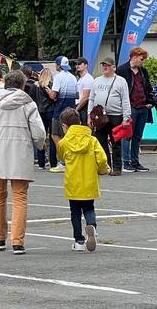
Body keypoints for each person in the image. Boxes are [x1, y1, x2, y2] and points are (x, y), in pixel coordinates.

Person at [0, 70, 47, 255]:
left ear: (5, 84)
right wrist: (40, 145)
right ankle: (18, 242)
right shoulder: (28, 104)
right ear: (22, 85)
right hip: (19, 151)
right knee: (20, 197)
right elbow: (39, 132)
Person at [57, 108, 109, 252]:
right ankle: (92, 225)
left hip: (73, 183)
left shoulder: (64, 142)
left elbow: (60, 157)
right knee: (89, 208)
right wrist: (104, 170)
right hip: (89, 181)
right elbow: (103, 158)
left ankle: (79, 241)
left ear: (65, 126)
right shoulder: (92, 140)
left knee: (75, 212)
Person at [88, 57, 131, 175]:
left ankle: (117, 168)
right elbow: (91, 99)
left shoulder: (121, 81)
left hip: (116, 115)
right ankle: (105, 166)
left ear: (114, 67)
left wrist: (126, 117)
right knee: (101, 142)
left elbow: (125, 100)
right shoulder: (96, 81)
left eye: (107, 65)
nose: (105, 67)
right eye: (103, 65)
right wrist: (89, 115)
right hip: (100, 116)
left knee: (116, 143)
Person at [116, 47, 155, 172]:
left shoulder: (143, 71)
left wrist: (150, 102)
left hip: (142, 107)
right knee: (127, 135)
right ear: (134, 57)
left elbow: (148, 88)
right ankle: (126, 162)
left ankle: (135, 161)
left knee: (138, 136)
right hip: (130, 107)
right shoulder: (122, 70)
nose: (142, 61)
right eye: (141, 59)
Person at [48, 56, 78, 173]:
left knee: (55, 135)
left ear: (58, 65)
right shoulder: (73, 77)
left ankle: (62, 161)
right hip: (71, 110)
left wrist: (48, 90)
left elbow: (53, 96)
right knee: (68, 136)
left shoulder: (58, 77)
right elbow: (76, 95)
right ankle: (70, 160)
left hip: (59, 110)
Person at [34, 68, 56, 170]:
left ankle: (41, 162)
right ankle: (53, 162)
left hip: (39, 112)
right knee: (52, 137)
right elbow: (54, 98)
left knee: (41, 137)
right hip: (50, 111)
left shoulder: (36, 86)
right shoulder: (50, 85)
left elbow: (32, 98)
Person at [73, 57, 95, 123]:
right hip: (79, 106)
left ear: (86, 65)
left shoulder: (88, 78)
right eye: (76, 64)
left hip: (84, 107)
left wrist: (76, 109)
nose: (77, 66)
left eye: (79, 64)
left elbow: (86, 98)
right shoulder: (81, 78)